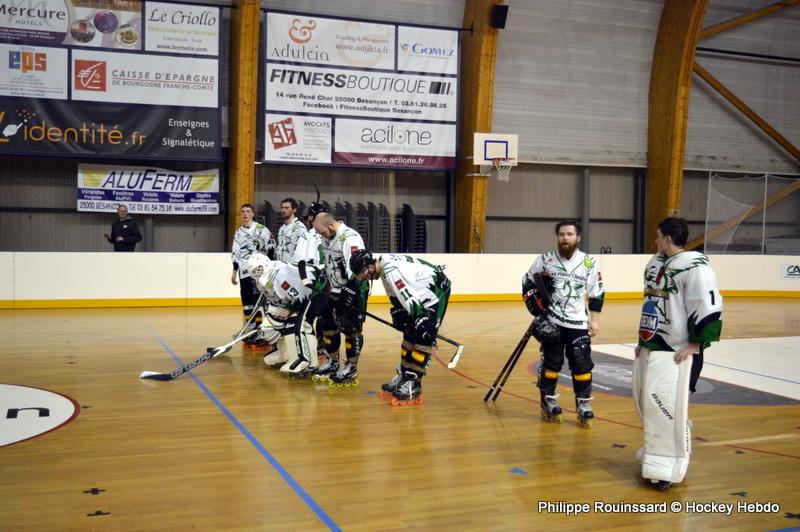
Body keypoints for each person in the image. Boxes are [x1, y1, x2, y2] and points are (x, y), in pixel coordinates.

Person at [633, 216, 722, 491]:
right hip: (654, 345)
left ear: (669, 238)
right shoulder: (655, 264)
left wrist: (695, 345)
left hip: (679, 350)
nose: (656, 240)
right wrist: (643, 339)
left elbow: (706, 305)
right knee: (648, 404)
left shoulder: (696, 268)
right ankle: (655, 451)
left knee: (671, 406)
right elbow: (651, 304)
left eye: (659, 235)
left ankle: (671, 463)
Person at [521, 220, 605, 427]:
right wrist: (536, 310)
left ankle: (583, 403)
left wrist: (594, 320)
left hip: (578, 322)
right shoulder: (545, 259)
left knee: (581, 362)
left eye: (569, 234)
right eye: (561, 234)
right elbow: (527, 282)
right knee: (552, 362)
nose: (565, 238)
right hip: (553, 322)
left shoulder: (589, 262)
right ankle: (548, 399)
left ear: (578, 238)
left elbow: (596, 292)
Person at [351, 251, 451, 405]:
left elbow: (408, 296)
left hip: (435, 292)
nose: (364, 278)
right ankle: (405, 375)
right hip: (421, 292)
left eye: (363, 274)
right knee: (409, 331)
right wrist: (398, 313)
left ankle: (414, 383)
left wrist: (421, 321)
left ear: (370, 266)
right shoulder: (383, 268)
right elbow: (395, 295)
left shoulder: (390, 269)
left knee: (422, 335)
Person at [244, 255, 326, 375]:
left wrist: (288, 310)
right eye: (253, 272)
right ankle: (285, 354)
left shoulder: (279, 276)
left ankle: (307, 361)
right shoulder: (264, 279)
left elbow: (297, 298)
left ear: (265, 263)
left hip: (316, 289)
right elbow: (277, 300)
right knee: (281, 322)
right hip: (303, 292)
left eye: (258, 269)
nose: (256, 273)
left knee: (301, 325)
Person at [311, 212, 367, 385]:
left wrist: (350, 298)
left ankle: (351, 366)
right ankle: (333, 361)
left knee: (350, 328)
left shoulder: (350, 239)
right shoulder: (326, 237)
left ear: (331, 225)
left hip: (354, 288)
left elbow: (359, 271)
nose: (322, 236)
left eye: (323, 232)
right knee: (326, 321)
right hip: (335, 288)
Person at [230, 203, 275, 344]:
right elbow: (235, 253)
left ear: (253, 214)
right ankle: (249, 329)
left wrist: (271, 267)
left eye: (248, 211)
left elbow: (272, 246)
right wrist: (234, 271)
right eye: (242, 211)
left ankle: (259, 329)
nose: (245, 214)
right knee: (246, 301)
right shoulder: (238, 232)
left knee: (258, 301)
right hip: (243, 272)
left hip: (258, 272)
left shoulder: (261, 230)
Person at [276, 197, 307, 263]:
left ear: (294, 210)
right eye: (282, 207)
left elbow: (302, 251)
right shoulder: (282, 228)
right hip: (280, 265)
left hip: (291, 267)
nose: (283, 210)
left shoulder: (299, 228)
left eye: (287, 208)